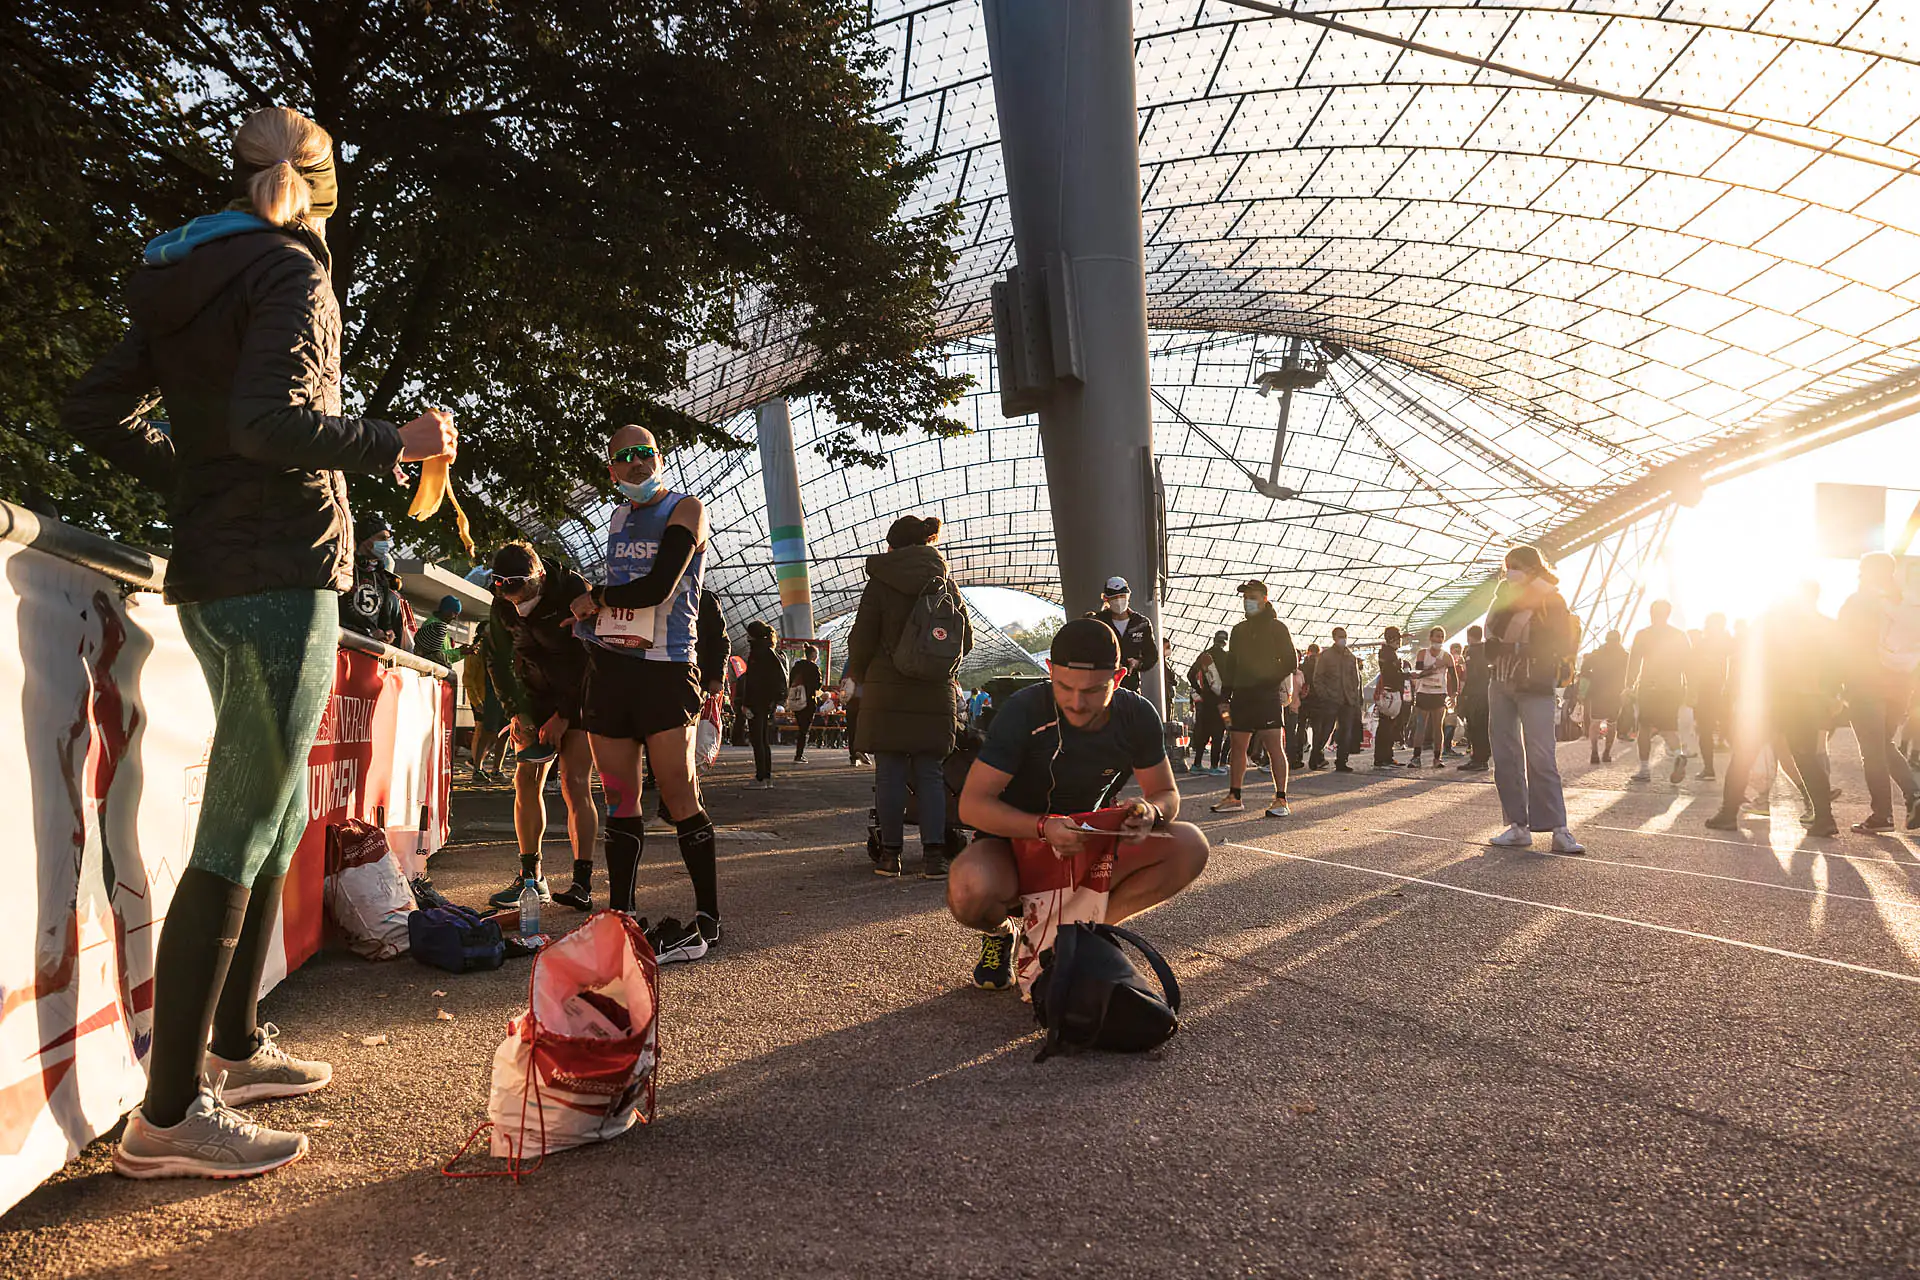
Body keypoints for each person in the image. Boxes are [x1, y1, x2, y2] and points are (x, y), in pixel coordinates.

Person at [62, 106, 459, 1178]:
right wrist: (399, 440)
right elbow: (267, 423)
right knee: (242, 828)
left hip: (217, 567)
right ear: (323, 192)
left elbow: (93, 408)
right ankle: (169, 1116)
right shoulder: (292, 269)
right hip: (281, 568)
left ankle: (232, 1049)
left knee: (277, 814)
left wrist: (196, 485)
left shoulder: (183, 272)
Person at [950, 619, 1210, 990]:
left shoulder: (1136, 715)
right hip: (1014, 842)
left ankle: (1083, 934)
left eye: (1092, 690)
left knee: (1189, 845)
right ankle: (1000, 932)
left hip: (1086, 840)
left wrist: (1150, 813)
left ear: (1118, 678)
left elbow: (1166, 794)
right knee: (968, 888)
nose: (1076, 702)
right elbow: (973, 806)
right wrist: (1044, 827)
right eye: (1064, 687)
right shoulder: (1023, 710)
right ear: (1049, 670)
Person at [567, 424, 720, 965]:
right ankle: (623, 913)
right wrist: (592, 621)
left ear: (659, 457)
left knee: (679, 795)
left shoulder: (686, 509)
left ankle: (708, 918)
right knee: (619, 798)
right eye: (625, 456)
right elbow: (623, 603)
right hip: (613, 671)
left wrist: (596, 598)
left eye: (646, 453)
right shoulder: (617, 518)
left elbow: (659, 586)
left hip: (666, 669)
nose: (637, 463)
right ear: (611, 468)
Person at [849, 515, 974, 877]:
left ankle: (891, 856)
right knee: (930, 773)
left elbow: (862, 638)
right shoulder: (945, 583)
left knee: (889, 772)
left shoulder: (880, 583)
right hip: (935, 691)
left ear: (892, 546)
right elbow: (965, 640)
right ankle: (934, 857)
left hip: (886, 690)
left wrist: (857, 674)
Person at [480, 542, 599, 913]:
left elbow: (592, 657)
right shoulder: (502, 599)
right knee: (525, 781)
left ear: (540, 577)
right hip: (533, 695)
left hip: (580, 694)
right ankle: (531, 878)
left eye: (523, 591)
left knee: (574, 782)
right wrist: (517, 712)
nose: (516, 601)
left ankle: (581, 882)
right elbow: (496, 658)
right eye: (505, 591)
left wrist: (564, 715)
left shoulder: (573, 590)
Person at [1706, 583, 1840, 837]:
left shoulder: (1770, 621)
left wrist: (1739, 693)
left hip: (1770, 699)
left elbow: (1749, 658)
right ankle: (1825, 818)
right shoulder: (1825, 625)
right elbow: (1839, 664)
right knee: (1807, 758)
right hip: (1806, 701)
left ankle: (1728, 813)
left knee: (1743, 756)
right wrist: (1832, 695)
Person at [1483, 546, 1584, 854]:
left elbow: (1559, 641)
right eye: (1507, 566)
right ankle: (1517, 826)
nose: (1510, 571)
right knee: (1505, 756)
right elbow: (1491, 636)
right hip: (1500, 681)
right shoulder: (1502, 597)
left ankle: (1559, 829)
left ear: (1532, 567)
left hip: (1536, 682)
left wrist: (1517, 647)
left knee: (1541, 755)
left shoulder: (1551, 598)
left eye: (1516, 566)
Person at [1838, 553, 1920, 833]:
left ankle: (1883, 815)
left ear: (1868, 572)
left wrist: (1837, 685)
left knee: (1873, 752)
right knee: (1884, 744)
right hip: (1900, 685)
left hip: (1866, 684)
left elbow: (1841, 644)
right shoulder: (1904, 602)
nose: (1859, 574)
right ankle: (1914, 795)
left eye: (1862, 570)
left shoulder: (1859, 602)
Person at [1211, 580, 1297, 817]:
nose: (1247, 601)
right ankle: (1234, 797)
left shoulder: (1277, 628)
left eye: (1252, 597)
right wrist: (1225, 696)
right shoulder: (1239, 630)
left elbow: (1290, 661)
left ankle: (1281, 799)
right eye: (1245, 597)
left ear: (1264, 599)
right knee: (1238, 746)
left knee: (1274, 747)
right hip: (1242, 697)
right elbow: (1232, 665)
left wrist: (1269, 680)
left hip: (1267, 697)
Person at [1627, 600, 1691, 783]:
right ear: (1668, 614)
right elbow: (1689, 663)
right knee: (1668, 728)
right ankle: (1678, 754)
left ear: (1651, 613)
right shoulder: (1679, 635)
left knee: (1644, 728)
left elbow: (1634, 661)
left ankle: (1644, 769)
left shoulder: (1643, 634)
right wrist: (1689, 687)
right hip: (1673, 688)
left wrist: (1628, 685)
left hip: (1649, 687)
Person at [339, 514, 409, 645]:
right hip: (341, 645)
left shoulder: (381, 578)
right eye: (382, 538)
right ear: (365, 540)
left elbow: (385, 622)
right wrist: (367, 633)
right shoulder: (344, 569)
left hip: (367, 650)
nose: (386, 544)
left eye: (387, 539)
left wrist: (388, 633)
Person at [463, 615, 511, 784]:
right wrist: (476, 701)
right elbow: (468, 678)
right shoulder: (478, 650)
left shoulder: (504, 645)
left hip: (504, 695)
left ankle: (496, 769)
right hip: (486, 697)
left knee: (504, 733)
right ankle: (477, 767)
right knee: (487, 733)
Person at [739, 622, 787, 785]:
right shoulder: (770, 651)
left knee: (757, 739)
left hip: (756, 702)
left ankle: (761, 777)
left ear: (753, 635)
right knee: (763, 740)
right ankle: (766, 775)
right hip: (767, 702)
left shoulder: (757, 653)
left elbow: (752, 682)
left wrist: (746, 703)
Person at [1310, 627, 1363, 772]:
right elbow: (1318, 678)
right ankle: (1316, 755)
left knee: (1346, 733)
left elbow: (1355, 680)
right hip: (1331, 700)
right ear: (1334, 638)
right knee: (1325, 731)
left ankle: (1341, 762)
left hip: (1347, 701)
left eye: (1344, 636)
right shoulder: (1326, 656)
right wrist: (1324, 695)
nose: (1343, 639)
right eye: (1340, 636)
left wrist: (1354, 697)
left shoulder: (1350, 657)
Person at [1689, 613, 1734, 782]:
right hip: (1727, 692)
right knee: (1731, 729)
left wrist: (1692, 692)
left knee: (1706, 730)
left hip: (1707, 692)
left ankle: (1709, 769)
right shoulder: (1730, 643)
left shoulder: (1702, 644)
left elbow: (1693, 669)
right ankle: (1740, 772)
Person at [1095, 576, 1158, 693]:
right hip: (1103, 688)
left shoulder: (1141, 623)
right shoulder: (1097, 622)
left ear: (1128, 596)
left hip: (1131, 687)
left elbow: (1152, 655)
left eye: (1122, 596)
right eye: (1114, 597)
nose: (1119, 600)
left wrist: (1137, 663)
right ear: (1106, 599)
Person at [1579, 631, 1629, 765]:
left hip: (1598, 692)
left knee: (1595, 722)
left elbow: (1584, 669)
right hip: (1615, 693)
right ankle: (1606, 753)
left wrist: (1588, 683)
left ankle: (1594, 752)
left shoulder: (1597, 654)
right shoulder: (1624, 656)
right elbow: (1631, 673)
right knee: (1612, 724)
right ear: (1619, 640)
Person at [1408, 627, 1455, 768]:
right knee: (1421, 725)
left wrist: (1454, 695)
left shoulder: (1447, 656)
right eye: (1437, 636)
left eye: (1441, 637)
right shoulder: (1423, 653)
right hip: (1423, 692)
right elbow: (1418, 673)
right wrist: (1434, 667)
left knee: (1438, 726)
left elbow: (1454, 677)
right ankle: (1416, 757)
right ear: (1431, 638)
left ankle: (1437, 758)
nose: (1439, 639)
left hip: (1439, 694)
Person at [1187, 630, 1230, 774]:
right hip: (1223, 701)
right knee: (1219, 732)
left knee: (1203, 732)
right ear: (1225, 642)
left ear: (1214, 640)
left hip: (1206, 701)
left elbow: (1190, 675)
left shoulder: (1205, 655)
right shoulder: (1227, 657)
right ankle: (1214, 766)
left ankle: (1197, 764)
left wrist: (1200, 691)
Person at [1456, 624, 1492, 772]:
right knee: (1483, 726)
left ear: (1469, 637)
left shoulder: (1472, 651)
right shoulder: (1486, 649)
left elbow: (1472, 674)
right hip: (1486, 692)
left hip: (1475, 694)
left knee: (1475, 727)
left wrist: (1463, 693)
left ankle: (1478, 759)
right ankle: (1482, 757)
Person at [1373, 627, 1408, 767]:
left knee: (1388, 726)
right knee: (1386, 726)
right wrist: (1405, 674)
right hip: (1389, 693)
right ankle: (1382, 758)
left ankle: (1386, 756)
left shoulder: (1387, 652)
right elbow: (1391, 674)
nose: (1399, 641)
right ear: (1393, 639)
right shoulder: (1388, 654)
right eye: (1398, 638)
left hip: (1390, 692)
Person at [788, 644, 823, 763]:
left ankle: (798, 752)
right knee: (804, 729)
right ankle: (799, 755)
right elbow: (818, 685)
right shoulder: (814, 668)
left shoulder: (797, 666)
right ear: (813, 655)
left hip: (797, 699)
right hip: (809, 700)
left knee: (800, 725)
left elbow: (790, 681)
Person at [411, 595, 464, 668]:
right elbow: (437, 656)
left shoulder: (440, 625)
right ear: (446, 610)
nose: (455, 618)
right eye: (454, 613)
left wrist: (461, 652)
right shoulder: (437, 627)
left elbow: (444, 657)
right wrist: (461, 652)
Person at [841, 666, 870, 766]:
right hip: (864, 701)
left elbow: (842, 681)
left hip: (851, 700)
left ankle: (854, 756)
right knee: (863, 728)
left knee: (852, 729)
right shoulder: (867, 664)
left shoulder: (848, 665)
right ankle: (862, 750)